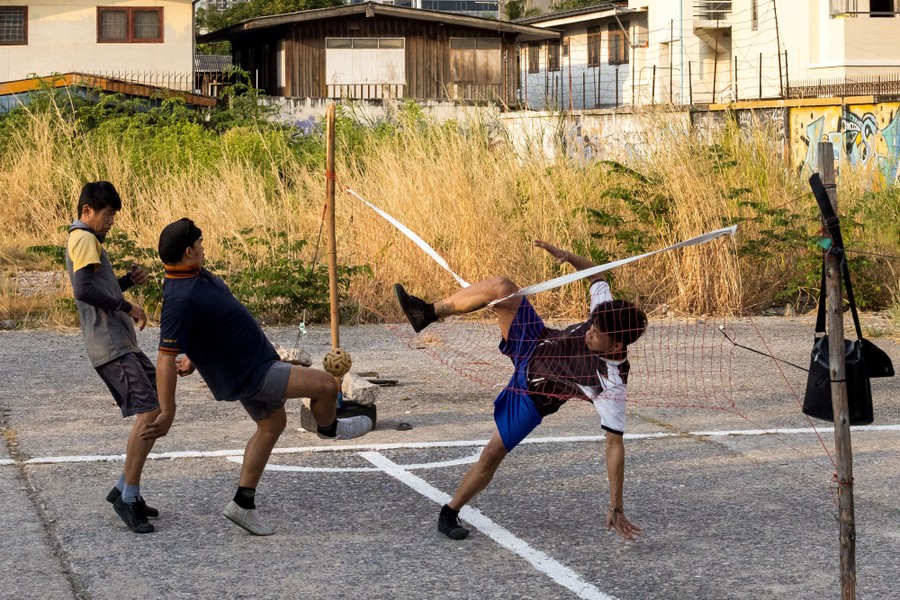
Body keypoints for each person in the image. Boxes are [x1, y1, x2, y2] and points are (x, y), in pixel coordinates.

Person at [393, 240, 647, 542]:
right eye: (591, 324)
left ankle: (449, 511)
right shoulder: (606, 316)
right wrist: (568, 258)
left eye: (596, 334)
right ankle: (427, 313)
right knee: (503, 287)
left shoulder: (610, 382)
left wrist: (616, 507)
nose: (590, 330)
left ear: (617, 345)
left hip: (531, 396)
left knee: (490, 455)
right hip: (535, 342)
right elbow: (597, 275)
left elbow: (614, 446)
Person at [141, 218, 374, 536]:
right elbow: (165, 358)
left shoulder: (192, 275)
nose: (204, 248)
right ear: (189, 251)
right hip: (252, 372)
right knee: (324, 384)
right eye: (200, 244)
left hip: (252, 363)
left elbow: (204, 330)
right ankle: (330, 429)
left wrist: (194, 358)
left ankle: (242, 505)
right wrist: (168, 410)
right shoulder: (180, 297)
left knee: (272, 425)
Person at [65, 181, 161, 534]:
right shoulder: (83, 237)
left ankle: (125, 489)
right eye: (107, 215)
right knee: (151, 413)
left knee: (158, 407)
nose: (111, 222)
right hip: (110, 346)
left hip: (121, 342)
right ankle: (128, 495)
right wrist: (127, 305)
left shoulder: (86, 240)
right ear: (87, 211)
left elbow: (97, 287)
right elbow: (83, 290)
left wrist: (125, 282)